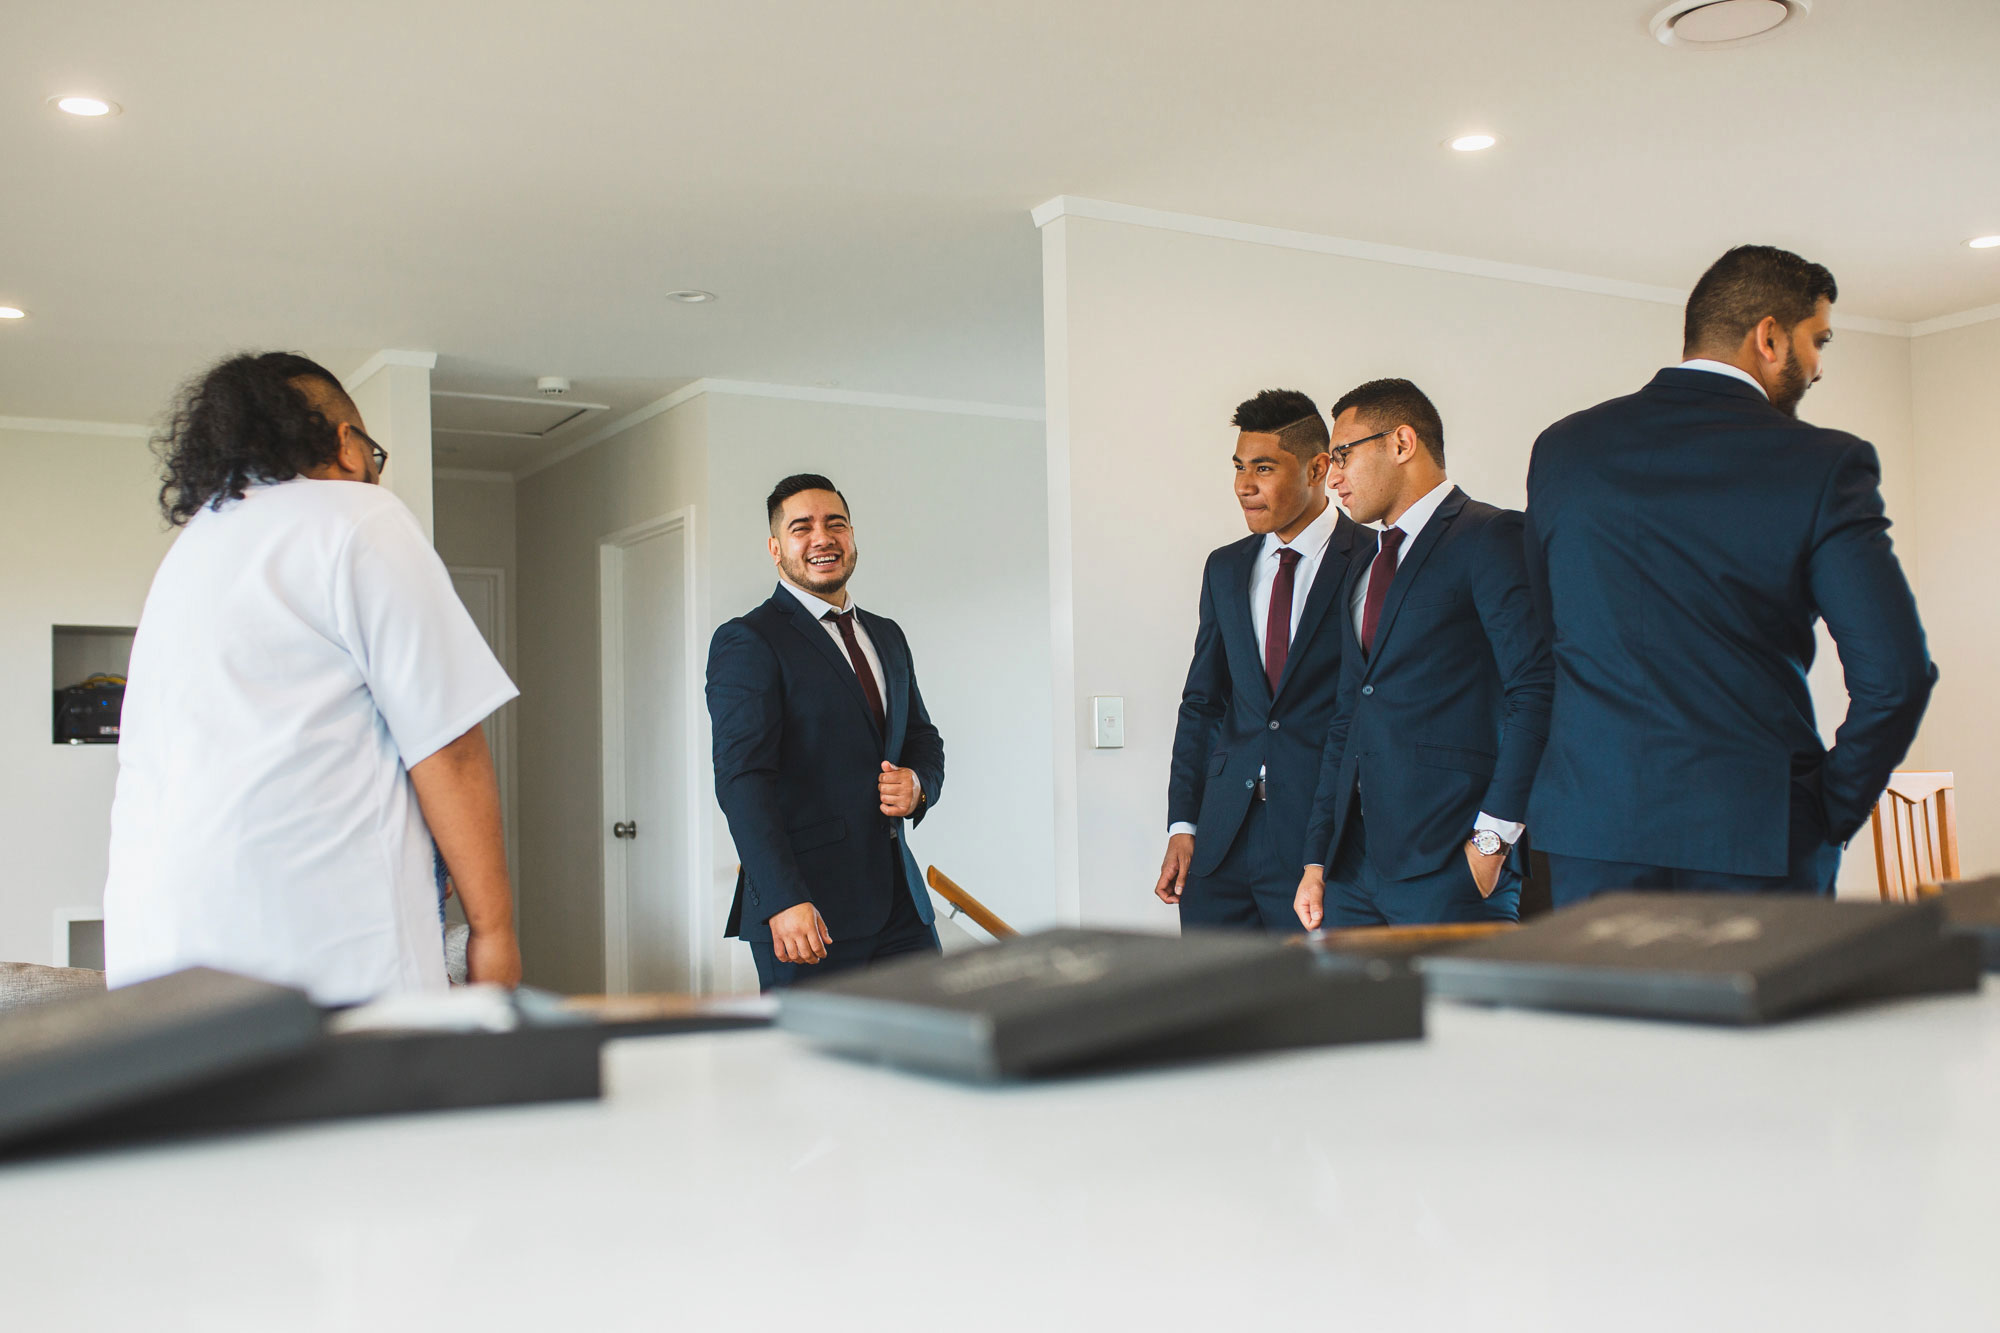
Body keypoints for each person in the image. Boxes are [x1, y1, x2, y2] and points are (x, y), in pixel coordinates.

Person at [103, 352, 521, 1004]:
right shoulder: (357, 518)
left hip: (155, 948)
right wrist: (493, 934)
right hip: (319, 942)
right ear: (348, 446)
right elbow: (450, 749)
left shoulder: (193, 548)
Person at [1523, 245, 1935, 904]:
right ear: (1769, 336)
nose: (1819, 367)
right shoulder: (1824, 465)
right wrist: (1827, 812)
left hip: (1590, 831)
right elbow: (1897, 675)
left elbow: (1549, 641)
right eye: (1817, 340)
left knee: (1604, 1013)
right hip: (1757, 834)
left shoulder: (1563, 449)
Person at [1295, 379, 1551, 929]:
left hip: (1450, 864)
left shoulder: (1490, 536)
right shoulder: (1362, 564)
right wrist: (1318, 857)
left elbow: (1538, 690)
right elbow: (1348, 716)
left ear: (1402, 442)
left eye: (1342, 454)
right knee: (1357, 1020)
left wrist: (1491, 843)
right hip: (1351, 871)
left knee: (1461, 1020)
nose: (1331, 476)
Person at [707, 474, 945, 990]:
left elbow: (923, 738)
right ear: (776, 548)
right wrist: (783, 899)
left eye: (835, 524)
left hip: (903, 908)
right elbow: (742, 781)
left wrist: (919, 784)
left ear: (852, 536)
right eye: (802, 527)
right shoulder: (748, 641)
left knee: (925, 1058)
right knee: (815, 1070)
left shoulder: (886, 634)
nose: (822, 538)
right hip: (807, 916)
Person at [1157, 390, 1365, 931]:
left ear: (1318, 468)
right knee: (1215, 1006)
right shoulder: (1225, 568)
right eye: (1239, 467)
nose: (1243, 486)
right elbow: (1202, 703)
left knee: (1314, 1009)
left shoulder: (1371, 558)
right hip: (1221, 840)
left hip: (1321, 844)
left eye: (1264, 468)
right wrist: (1184, 824)